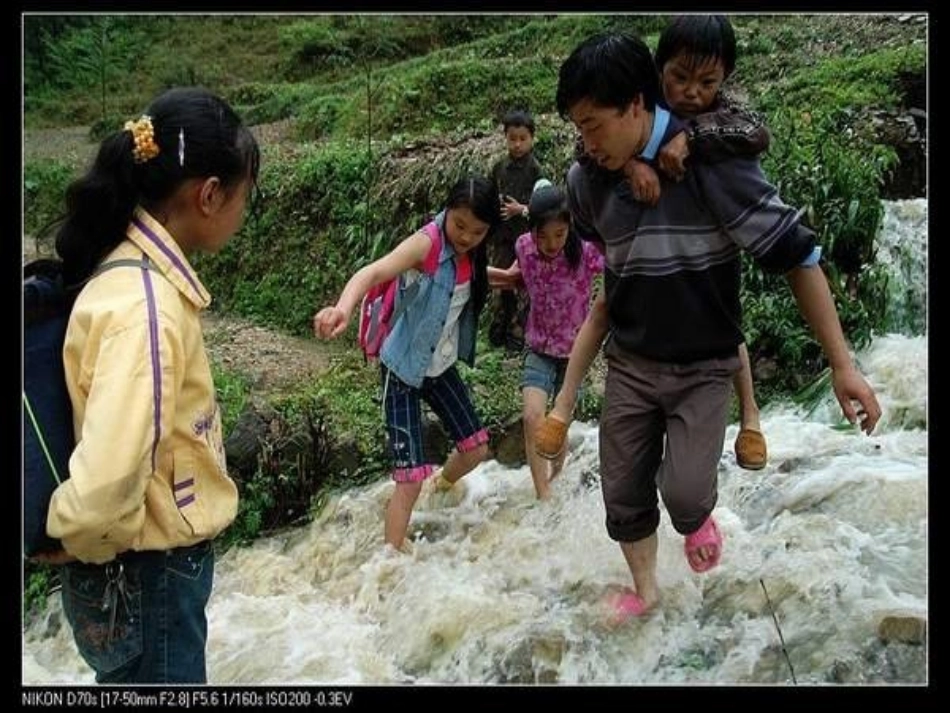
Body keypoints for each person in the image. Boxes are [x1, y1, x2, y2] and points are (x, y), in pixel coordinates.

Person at [550, 31, 881, 621]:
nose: (587, 142)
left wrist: (842, 364)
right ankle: (646, 591)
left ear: (636, 104)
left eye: (593, 126)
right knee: (621, 493)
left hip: (704, 367)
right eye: (579, 129)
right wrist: (629, 166)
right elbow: (605, 252)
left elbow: (797, 255)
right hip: (630, 363)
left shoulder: (713, 165)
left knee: (683, 496)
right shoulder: (586, 181)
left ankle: (697, 518)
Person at [40, 87, 261, 683]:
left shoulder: (124, 272)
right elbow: (110, 480)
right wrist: (74, 535)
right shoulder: (148, 308)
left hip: (136, 579)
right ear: (210, 195)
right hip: (148, 577)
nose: (244, 211)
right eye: (244, 195)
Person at [541, 16, 771, 471]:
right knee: (607, 305)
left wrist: (690, 137)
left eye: (707, 81)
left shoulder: (721, 114)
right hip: (640, 273)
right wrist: (632, 165)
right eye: (679, 77)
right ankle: (562, 408)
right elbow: (589, 145)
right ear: (657, 69)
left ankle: (750, 416)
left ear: (724, 78)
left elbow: (756, 133)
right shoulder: (639, 103)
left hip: (701, 276)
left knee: (723, 321)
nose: (692, 92)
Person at [314, 176, 501, 553]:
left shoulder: (472, 255)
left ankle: (440, 487)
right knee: (409, 479)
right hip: (401, 369)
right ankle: (390, 561)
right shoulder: (426, 243)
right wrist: (342, 308)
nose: (466, 237)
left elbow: (470, 276)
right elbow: (373, 272)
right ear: (447, 211)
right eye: (459, 225)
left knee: (476, 448)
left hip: (438, 368)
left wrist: (511, 278)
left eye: (477, 231)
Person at [487, 181, 604, 500]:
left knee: (558, 422)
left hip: (575, 352)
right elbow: (515, 278)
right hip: (538, 346)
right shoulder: (524, 247)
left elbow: (618, 267)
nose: (551, 243)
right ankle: (543, 494)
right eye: (543, 235)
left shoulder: (586, 251)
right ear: (532, 230)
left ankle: (557, 474)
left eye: (559, 234)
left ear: (570, 228)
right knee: (532, 416)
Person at [487, 109, 543, 352]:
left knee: (523, 282)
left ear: (532, 139)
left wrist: (521, 209)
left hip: (526, 237)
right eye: (512, 139)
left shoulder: (535, 170)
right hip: (502, 236)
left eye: (523, 138)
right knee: (501, 280)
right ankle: (499, 324)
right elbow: (489, 194)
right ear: (505, 138)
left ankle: (518, 329)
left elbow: (542, 205)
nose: (517, 144)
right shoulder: (499, 167)